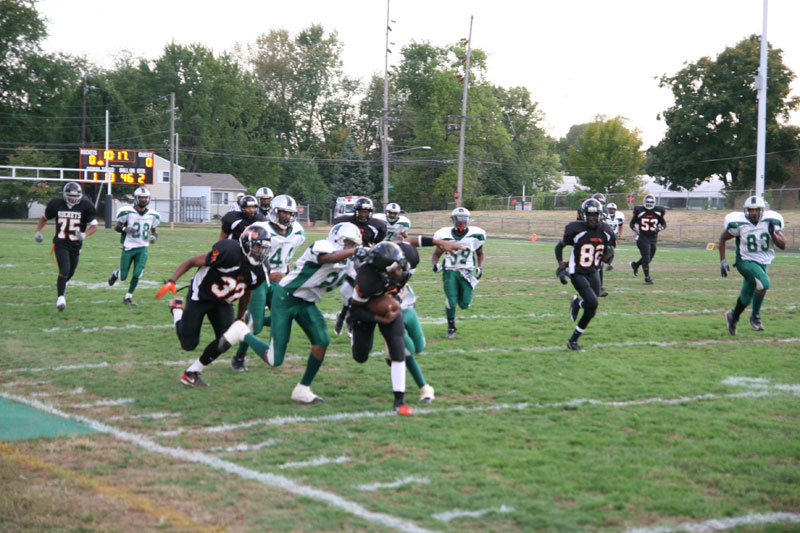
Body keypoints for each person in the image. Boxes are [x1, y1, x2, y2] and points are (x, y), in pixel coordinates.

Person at [235, 222, 366, 404]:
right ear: (337, 238)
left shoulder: (349, 263)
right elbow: (329, 258)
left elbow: (361, 285)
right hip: (285, 298)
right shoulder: (323, 246)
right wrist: (353, 252)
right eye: (348, 243)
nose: (351, 247)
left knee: (322, 341)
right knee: (274, 360)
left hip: (307, 303)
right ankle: (241, 331)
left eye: (354, 245)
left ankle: (302, 389)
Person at [347, 236, 465, 414]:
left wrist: (440, 243)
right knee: (361, 356)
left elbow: (412, 241)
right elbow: (355, 310)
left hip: (392, 303)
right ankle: (355, 335)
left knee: (398, 348)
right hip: (367, 308)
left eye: (400, 266)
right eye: (394, 270)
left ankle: (399, 402)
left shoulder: (407, 255)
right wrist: (379, 319)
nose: (399, 272)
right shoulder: (367, 279)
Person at [156, 225, 271, 387]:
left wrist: (239, 318)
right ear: (246, 243)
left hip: (223, 301)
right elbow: (192, 261)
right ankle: (177, 309)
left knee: (228, 338)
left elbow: (247, 293)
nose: (260, 252)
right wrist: (172, 280)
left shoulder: (259, 270)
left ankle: (192, 372)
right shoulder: (228, 252)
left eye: (263, 248)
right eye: (258, 247)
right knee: (188, 344)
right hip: (201, 296)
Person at [231, 194, 306, 372]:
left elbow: (287, 257)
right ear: (273, 211)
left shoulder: (298, 232)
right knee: (255, 330)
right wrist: (269, 272)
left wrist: (287, 274)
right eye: (283, 212)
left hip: (279, 281)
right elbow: (246, 254)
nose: (286, 217)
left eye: (289, 213)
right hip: (258, 279)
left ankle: (248, 321)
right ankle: (238, 358)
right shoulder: (259, 228)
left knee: (288, 320)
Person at [719, 195, 785, 335]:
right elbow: (723, 238)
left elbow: (783, 245)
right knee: (764, 284)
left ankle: (733, 316)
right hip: (745, 261)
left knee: (747, 296)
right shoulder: (740, 223)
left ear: (761, 210)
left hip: (762, 262)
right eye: (750, 210)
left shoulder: (770, 222)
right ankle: (755, 317)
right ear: (746, 211)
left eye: (756, 210)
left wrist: (773, 234)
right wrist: (723, 260)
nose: (753, 213)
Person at [555, 198, 615, 351]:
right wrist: (562, 267)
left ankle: (576, 303)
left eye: (595, 215)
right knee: (593, 303)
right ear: (583, 215)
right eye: (590, 215)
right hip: (577, 272)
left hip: (593, 271)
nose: (593, 218)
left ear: (601, 215)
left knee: (591, 308)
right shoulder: (575, 229)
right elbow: (559, 247)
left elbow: (606, 255)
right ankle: (573, 341)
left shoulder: (606, 231)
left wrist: (608, 257)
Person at [34, 182, 98, 312]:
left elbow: (95, 226)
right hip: (61, 242)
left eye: (75, 196)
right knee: (65, 269)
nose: (72, 199)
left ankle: (62, 285)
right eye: (69, 196)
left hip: (76, 244)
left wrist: (85, 235)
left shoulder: (86, 206)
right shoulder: (56, 204)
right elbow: (44, 218)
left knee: (71, 271)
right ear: (64, 195)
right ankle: (61, 298)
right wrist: (38, 231)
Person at [332, 197, 387, 335]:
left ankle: (344, 317)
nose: (363, 214)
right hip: (349, 259)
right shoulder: (344, 221)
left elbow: (378, 242)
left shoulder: (377, 225)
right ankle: (348, 319)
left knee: (357, 291)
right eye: (361, 211)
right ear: (355, 211)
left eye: (366, 212)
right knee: (353, 290)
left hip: (365, 260)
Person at [431, 207, 485, 338]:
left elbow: (480, 253)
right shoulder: (445, 235)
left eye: (464, 219)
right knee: (451, 299)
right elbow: (437, 254)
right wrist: (435, 264)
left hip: (467, 271)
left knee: (465, 304)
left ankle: (459, 299)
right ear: (453, 220)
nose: (461, 222)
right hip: (450, 271)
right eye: (458, 219)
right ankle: (451, 327)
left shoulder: (475, 235)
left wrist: (480, 267)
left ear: (468, 220)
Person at [108, 186, 161, 306]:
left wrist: (154, 237)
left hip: (142, 248)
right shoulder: (127, 211)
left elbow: (154, 231)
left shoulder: (153, 215)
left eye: (145, 197)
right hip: (129, 247)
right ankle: (116, 273)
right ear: (136, 198)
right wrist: (125, 229)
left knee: (138, 273)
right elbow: (116, 227)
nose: (143, 200)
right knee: (123, 276)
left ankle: (128, 297)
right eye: (141, 197)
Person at [629, 194, 666, 285]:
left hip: (653, 238)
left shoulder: (658, 211)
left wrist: (660, 228)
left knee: (649, 258)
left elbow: (664, 224)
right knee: (646, 257)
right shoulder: (639, 210)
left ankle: (635, 265)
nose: (649, 204)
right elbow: (631, 223)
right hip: (642, 237)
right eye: (647, 202)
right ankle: (647, 278)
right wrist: (635, 230)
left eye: (651, 202)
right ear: (644, 202)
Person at [604, 202, 624, 271]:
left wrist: (620, 234)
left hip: (613, 236)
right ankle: (601, 262)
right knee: (604, 249)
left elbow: (621, 225)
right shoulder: (605, 216)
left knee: (612, 250)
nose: (612, 210)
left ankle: (610, 264)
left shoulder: (619, 217)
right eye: (610, 209)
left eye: (613, 209)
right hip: (605, 235)